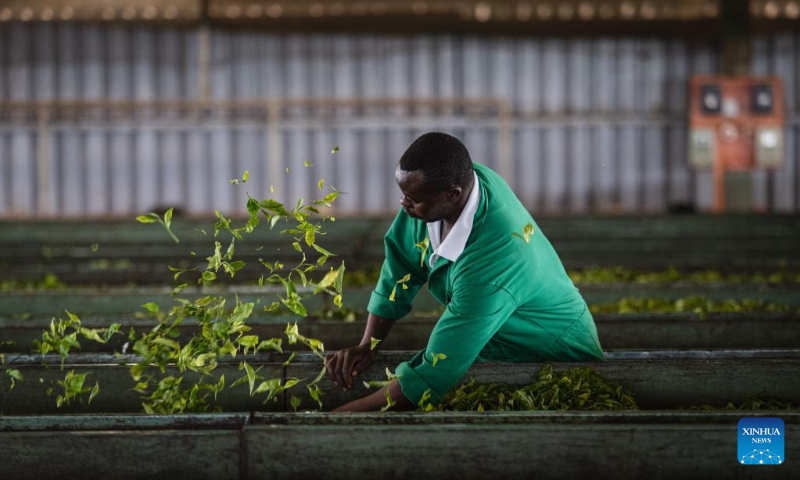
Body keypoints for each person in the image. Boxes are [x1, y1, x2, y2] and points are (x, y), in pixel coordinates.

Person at [324, 132, 604, 412]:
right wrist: (368, 345)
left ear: (452, 195)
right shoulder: (443, 191)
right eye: (403, 194)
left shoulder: (495, 259)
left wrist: (341, 414)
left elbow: (437, 366)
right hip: (495, 338)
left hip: (554, 354)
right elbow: (401, 267)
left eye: (413, 198)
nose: (403, 204)